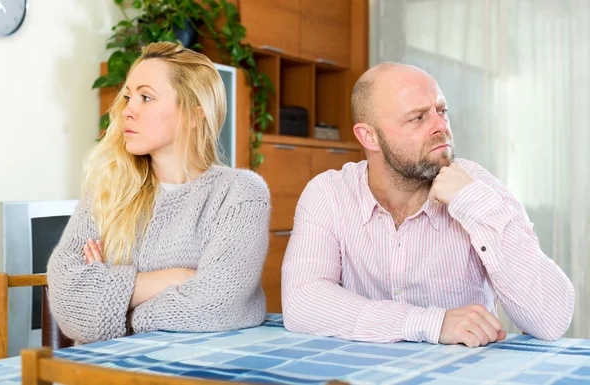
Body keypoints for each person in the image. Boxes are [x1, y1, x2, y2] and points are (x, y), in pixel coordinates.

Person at [281, 62, 574, 347]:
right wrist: (432, 323)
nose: (441, 126)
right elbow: (303, 301)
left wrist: (473, 204)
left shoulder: (481, 190)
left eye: (442, 111)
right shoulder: (329, 193)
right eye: (418, 118)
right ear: (368, 136)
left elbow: (550, 320)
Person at [47, 42, 271, 344]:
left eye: (146, 97)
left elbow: (218, 305)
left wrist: (112, 310)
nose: (127, 110)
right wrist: (174, 278)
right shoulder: (107, 190)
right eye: (128, 97)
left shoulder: (239, 194)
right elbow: (67, 299)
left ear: (194, 115)